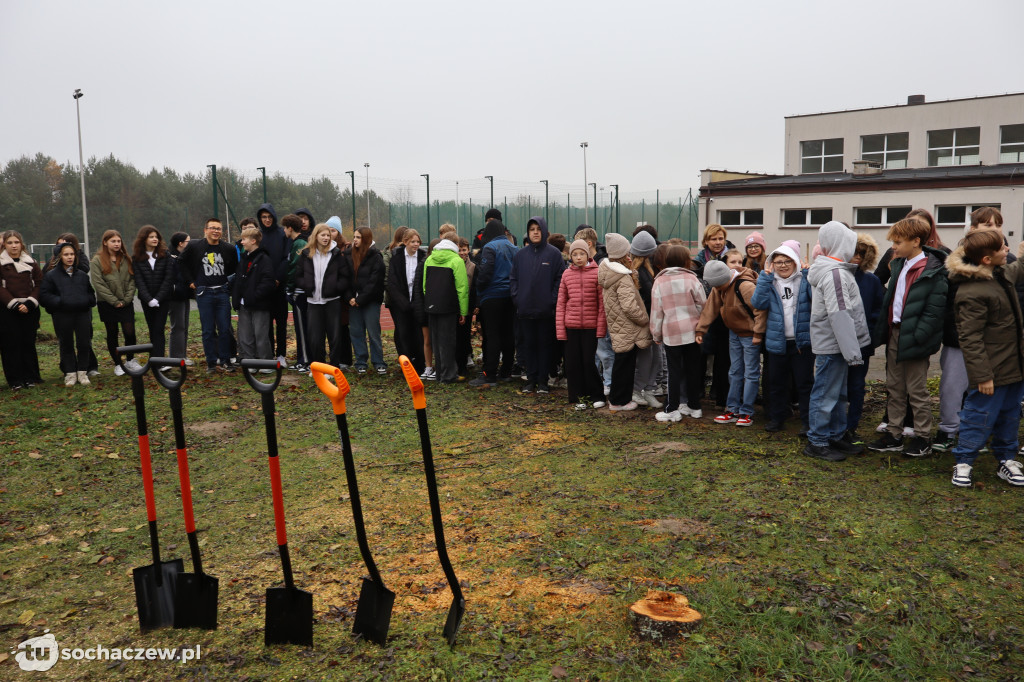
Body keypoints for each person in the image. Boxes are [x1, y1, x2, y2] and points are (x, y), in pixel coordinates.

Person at [947, 228, 1024, 487]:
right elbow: (970, 338)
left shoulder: (999, 275)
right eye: (1003, 248)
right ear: (986, 260)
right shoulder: (972, 292)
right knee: (978, 415)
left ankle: (1006, 459)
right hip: (991, 371)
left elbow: (1016, 269)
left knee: (1010, 414)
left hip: (1014, 366)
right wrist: (982, 375)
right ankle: (964, 462)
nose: (1007, 250)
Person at [868, 216, 948, 457]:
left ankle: (923, 437)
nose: (893, 246)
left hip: (915, 337)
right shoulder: (898, 265)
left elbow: (935, 311)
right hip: (896, 333)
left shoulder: (933, 271)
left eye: (898, 241)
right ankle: (894, 434)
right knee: (894, 387)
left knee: (916, 389)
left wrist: (919, 336)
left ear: (916, 241)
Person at [803, 221, 872, 462]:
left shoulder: (838, 272)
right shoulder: (835, 275)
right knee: (825, 394)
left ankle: (835, 434)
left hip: (838, 347)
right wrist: (853, 352)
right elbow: (840, 314)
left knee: (838, 393)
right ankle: (818, 441)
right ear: (843, 244)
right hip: (834, 347)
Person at [751, 240, 813, 433]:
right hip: (777, 342)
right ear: (772, 263)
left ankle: (807, 422)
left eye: (787, 261)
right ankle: (777, 418)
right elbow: (758, 303)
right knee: (777, 383)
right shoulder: (770, 283)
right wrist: (764, 279)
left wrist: (808, 275)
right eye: (778, 261)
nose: (783, 265)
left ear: (795, 262)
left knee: (804, 384)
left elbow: (815, 300)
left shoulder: (803, 281)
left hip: (801, 342)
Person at [696, 259, 766, 428]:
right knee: (734, 371)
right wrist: (701, 330)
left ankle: (746, 411)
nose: (717, 290)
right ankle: (732, 409)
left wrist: (758, 333)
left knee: (751, 372)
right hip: (734, 333)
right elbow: (710, 308)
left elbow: (760, 310)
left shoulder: (746, 287)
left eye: (719, 286)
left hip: (750, 336)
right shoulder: (718, 288)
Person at [649, 245, 706, 421]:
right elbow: (702, 304)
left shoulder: (659, 281)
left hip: (671, 332)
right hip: (693, 331)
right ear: (686, 261)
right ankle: (694, 406)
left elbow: (657, 312)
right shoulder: (692, 279)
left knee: (674, 372)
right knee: (693, 370)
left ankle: (671, 408)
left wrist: (656, 334)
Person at [512, 217, 566, 393]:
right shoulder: (520, 255)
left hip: (546, 312)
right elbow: (513, 279)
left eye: (538, 229)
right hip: (525, 310)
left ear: (544, 230)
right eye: (531, 229)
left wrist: (552, 300)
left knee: (544, 346)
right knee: (528, 345)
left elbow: (560, 279)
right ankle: (531, 379)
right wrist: (518, 298)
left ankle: (543, 381)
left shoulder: (553, 254)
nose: (535, 232)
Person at [599, 233, 652, 412]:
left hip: (617, 326)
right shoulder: (622, 277)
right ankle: (619, 401)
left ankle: (618, 399)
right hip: (628, 327)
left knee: (622, 363)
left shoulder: (608, 273)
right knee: (625, 365)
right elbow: (629, 306)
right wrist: (644, 318)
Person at [180, 217, 238, 373]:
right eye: (212, 228)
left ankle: (226, 360)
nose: (216, 231)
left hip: (222, 292)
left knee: (225, 328)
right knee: (207, 330)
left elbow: (233, 269)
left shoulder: (228, 249)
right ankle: (211, 362)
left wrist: (228, 285)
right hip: (204, 292)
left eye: (218, 228)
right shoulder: (194, 246)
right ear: (205, 230)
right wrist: (190, 281)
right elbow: (181, 262)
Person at [555, 239, 607, 406]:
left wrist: (600, 329)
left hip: (591, 327)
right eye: (575, 254)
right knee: (572, 362)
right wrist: (561, 330)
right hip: (571, 326)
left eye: (581, 254)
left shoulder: (597, 273)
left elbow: (601, 304)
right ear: (570, 256)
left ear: (587, 254)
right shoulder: (566, 274)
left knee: (588, 361)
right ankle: (577, 397)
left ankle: (597, 395)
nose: (578, 257)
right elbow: (561, 303)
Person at [846, 233, 884, 442]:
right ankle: (837, 424)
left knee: (856, 385)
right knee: (838, 385)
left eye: (862, 253)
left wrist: (868, 336)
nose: (858, 257)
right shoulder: (839, 276)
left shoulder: (871, 281)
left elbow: (877, 312)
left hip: (862, 344)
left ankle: (852, 425)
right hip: (838, 343)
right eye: (854, 252)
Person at [40, 242, 96, 386]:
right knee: (66, 344)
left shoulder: (82, 275)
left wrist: (86, 301)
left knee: (84, 343)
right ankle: (70, 373)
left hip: (82, 314)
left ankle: (83, 372)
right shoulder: (51, 276)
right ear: (60, 257)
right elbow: (45, 296)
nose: (69, 257)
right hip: (62, 315)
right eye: (66, 254)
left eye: (72, 254)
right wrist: (61, 302)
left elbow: (91, 293)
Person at [298, 223, 349, 367]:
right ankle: (320, 367)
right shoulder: (306, 253)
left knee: (335, 337)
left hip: (332, 302)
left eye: (328, 235)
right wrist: (307, 286)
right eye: (323, 235)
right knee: (315, 338)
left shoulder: (336, 253)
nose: (326, 238)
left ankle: (334, 367)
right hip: (313, 303)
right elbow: (298, 275)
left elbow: (344, 277)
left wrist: (335, 288)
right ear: (316, 236)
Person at [474, 220, 517, 384]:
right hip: (510, 296)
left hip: (492, 296)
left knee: (492, 335)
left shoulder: (490, 247)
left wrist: (479, 286)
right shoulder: (514, 248)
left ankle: (490, 373)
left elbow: (485, 272)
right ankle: (506, 371)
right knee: (508, 334)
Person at [90, 230, 139, 376]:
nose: (117, 244)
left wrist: (127, 299)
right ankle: (118, 364)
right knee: (112, 333)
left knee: (129, 332)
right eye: (113, 241)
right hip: (107, 303)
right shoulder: (97, 260)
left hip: (126, 302)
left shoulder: (126, 258)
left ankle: (130, 360)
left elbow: (132, 280)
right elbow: (98, 283)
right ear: (105, 242)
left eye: (118, 241)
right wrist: (114, 301)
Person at [422, 236, 468, 383]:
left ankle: (439, 374)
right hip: (449, 307)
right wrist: (463, 311)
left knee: (435, 341)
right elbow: (462, 289)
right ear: (455, 244)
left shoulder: (429, 259)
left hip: (432, 306)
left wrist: (430, 301)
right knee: (447, 341)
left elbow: (424, 285)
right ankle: (449, 375)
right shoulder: (457, 261)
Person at [0, 230, 43, 389]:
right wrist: (14, 304)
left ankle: (30, 377)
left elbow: (39, 283)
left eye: (16, 242)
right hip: (8, 310)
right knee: (11, 345)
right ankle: (15, 380)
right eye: (10, 243)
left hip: (29, 310)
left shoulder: (31, 262)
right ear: (4, 244)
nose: (13, 246)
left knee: (27, 344)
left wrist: (31, 302)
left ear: (21, 244)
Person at [575, 226, 613, 393]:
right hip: (591, 315)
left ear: (589, 244)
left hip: (601, 314)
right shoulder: (588, 263)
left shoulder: (601, 264)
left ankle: (609, 383)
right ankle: (596, 381)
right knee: (596, 353)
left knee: (605, 351)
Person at [231, 226, 276, 364]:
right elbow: (239, 280)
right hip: (244, 305)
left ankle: (266, 362)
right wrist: (237, 298)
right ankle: (250, 362)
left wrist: (254, 296)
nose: (242, 242)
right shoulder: (244, 258)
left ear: (254, 241)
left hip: (259, 305)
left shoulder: (264, 259)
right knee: (245, 335)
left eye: (244, 239)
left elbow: (268, 282)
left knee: (260, 335)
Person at [345, 227, 386, 374]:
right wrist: (349, 297)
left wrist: (360, 299)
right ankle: (361, 361)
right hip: (353, 302)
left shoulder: (376, 257)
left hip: (371, 302)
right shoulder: (348, 255)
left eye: (358, 237)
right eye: (354, 236)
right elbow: (345, 278)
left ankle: (378, 361)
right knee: (356, 332)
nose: (355, 239)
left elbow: (375, 282)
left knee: (373, 332)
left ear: (366, 239)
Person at [629, 230, 663, 409]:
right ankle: (637, 389)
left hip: (652, 321)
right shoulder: (637, 272)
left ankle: (648, 389)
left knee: (655, 359)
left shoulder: (647, 270)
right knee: (646, 358)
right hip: (645, 322)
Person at [386, 229, 426, 373]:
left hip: (417, 303)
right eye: (412, 242)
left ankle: (420, 365)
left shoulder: (423, 257)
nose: (416, 244)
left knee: (418, 334)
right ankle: (406, 365)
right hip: (401, 305)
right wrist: (403, 303)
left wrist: (417, 302)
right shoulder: (396, 258)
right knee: (403, 333)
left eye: (418, 242)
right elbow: (392, 283)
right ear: (405, 242)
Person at [255, 203, 291, 365]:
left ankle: (281, 355)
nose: (267, 220)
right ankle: (268, 355)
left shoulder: (281, 234)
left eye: (269, 216)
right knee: (266, 323)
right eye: (264, 217)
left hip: (279, 286)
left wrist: (277, 279)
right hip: (264, 288)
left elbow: (286, 258)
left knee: (281, 322)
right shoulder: (259, 235)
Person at [132, 225, 173, 358]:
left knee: (159, 329)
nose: (155, 239)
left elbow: (168, 278)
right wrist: (149, 299)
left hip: (163, 299)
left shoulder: (165, 255)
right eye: (151, 237)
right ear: (144, 239)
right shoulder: (137, 257)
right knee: (152, 329)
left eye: (156, 237)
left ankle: (159, 359)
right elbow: (139, 281)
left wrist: (158, 299)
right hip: (146, 300)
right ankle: (155, 358)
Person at [281, 214, 310, 372]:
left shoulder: (300, 243)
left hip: (299, 292)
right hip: (297, 291)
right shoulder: (296, 242)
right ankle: (301, 359)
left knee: (302, 328)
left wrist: (290, 288)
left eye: (285, 228)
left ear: (290, 228)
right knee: (300, 328)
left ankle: (306, 360)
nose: (284, 231)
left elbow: (294, 268)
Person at [325, 216, 353, 367]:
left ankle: (346, 359)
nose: (330, 233)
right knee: (331, 329)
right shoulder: (322, 248)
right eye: (328, 230)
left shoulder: (346, 249)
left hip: (342, 296)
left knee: (343, 328)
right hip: (329, 295)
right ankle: (335, 358)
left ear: (339, 233)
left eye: (333, 230)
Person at [167, 232, 194, 363]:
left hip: (184, 295)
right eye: (188, 241)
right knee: (177, 326)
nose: (190, 244)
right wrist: (176, 289)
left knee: (184, 326)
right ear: (180, 243)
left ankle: (182, 355)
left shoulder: (183, 257)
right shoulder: (170, 258)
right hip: (175, 297)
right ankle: (176, 357)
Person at [456, 236, 476, 375]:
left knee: (464, 336)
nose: (462, 253)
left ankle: (464, 364)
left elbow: (475, 287)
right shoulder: (454, 264)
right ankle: (457, 364)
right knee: (456, 337)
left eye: (464, 250)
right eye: (459, 250)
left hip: (467, 307)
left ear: (468, 250)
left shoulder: (473, 267)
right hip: (456, 307)